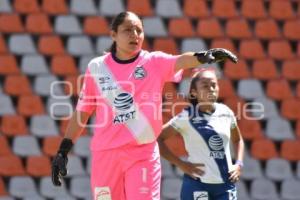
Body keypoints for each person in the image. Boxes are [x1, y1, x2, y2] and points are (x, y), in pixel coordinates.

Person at [51, 11, 238, 200]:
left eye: (138, 30)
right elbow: (82, 114)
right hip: (105, 155)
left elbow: (181, 60)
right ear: (113, 34)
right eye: (127, 30)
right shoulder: (97, 68)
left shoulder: (153, 62)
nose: (134, 34)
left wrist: (205, 56)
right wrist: (63, 150)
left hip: (143, 154)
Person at [158, 68, 244, 200]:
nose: (211, 89)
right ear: (194, 92)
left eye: (214, 85)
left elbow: (238, 140)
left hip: (226, 185)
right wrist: (181, 164)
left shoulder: (226, 112)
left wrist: (238, 164)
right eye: (205, 85)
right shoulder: (186, 117)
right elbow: (158, 139)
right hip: (196, 184)